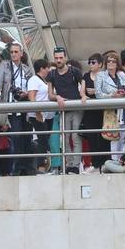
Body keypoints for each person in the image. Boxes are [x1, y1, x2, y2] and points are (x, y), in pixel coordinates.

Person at [0, 42, 33, 176]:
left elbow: (32, 86)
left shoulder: (26, 69)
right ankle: (17, 167)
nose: (13, 54)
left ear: (21, 53)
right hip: (11, 106)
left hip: (25, 105)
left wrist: (26, 93)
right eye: (11, 52)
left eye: (16, 52)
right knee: (16, 136)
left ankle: (26, 167)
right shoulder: (5, 65)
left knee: (26, 137)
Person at [47, 46, 86, 174]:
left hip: (76, 108)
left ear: (65, 58)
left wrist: (82, 94)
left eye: (60, 58)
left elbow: (82, 81)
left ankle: (75, 165)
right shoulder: (52, 74)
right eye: (56, 58)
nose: (58, 60)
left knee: (75, 136)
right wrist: (57, 97)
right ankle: (69, 165)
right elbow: (50, 95)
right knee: (65, 137)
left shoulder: (74, 71)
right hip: (64, 109)